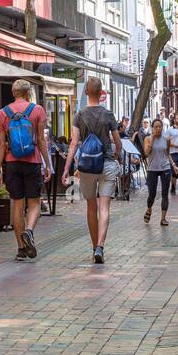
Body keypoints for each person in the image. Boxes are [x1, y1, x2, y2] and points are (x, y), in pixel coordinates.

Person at [63, 76, 122, 264]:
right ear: (101, 92)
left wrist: (67, 169)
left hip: (87, 165)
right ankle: (100, 246)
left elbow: (73, 143)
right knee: (104, 207)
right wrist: (117, 155)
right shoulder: (108, 114)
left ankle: (93, 246)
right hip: (106, 163)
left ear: (87, 92)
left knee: (91, 206)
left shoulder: (79, 115)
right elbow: (117, 141)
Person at [0, 79, 52, 261]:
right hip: (32, 161)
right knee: (34, 203)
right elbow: (41, 140)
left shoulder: (3, 113)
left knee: (17, 204)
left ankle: (20, 248)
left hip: (12, 162)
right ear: (28, 93)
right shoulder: (37, 110)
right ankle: (29, 230)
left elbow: (2, 144)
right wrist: (47, 164)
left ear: (13, 93)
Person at [143, 118, 176, 226]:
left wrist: (173, 165)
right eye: (156, 127)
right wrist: (152, 141)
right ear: (152, 128)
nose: (158, 129)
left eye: (160, 127)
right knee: (152, 194)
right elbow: (146, 153)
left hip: (165, 168)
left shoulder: (166, 139)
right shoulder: (147, 139)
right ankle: (149, 208)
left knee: (165, 193)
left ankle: (163, 218)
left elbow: (167, 153)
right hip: (152, 168)